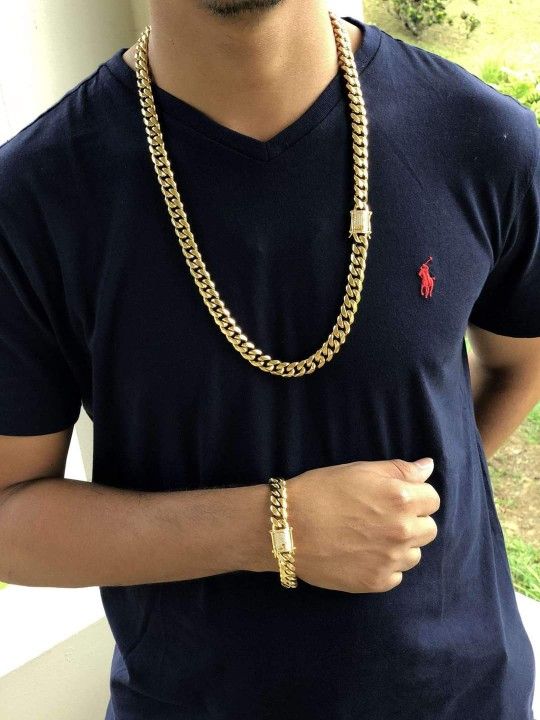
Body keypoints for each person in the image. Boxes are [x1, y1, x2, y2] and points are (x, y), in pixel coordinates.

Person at [0, 1, 538, 718]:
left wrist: (417, 503)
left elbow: (520, 361)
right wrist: (275, 529)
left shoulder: (478, 134)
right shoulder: (33, 199)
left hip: (464, 696)